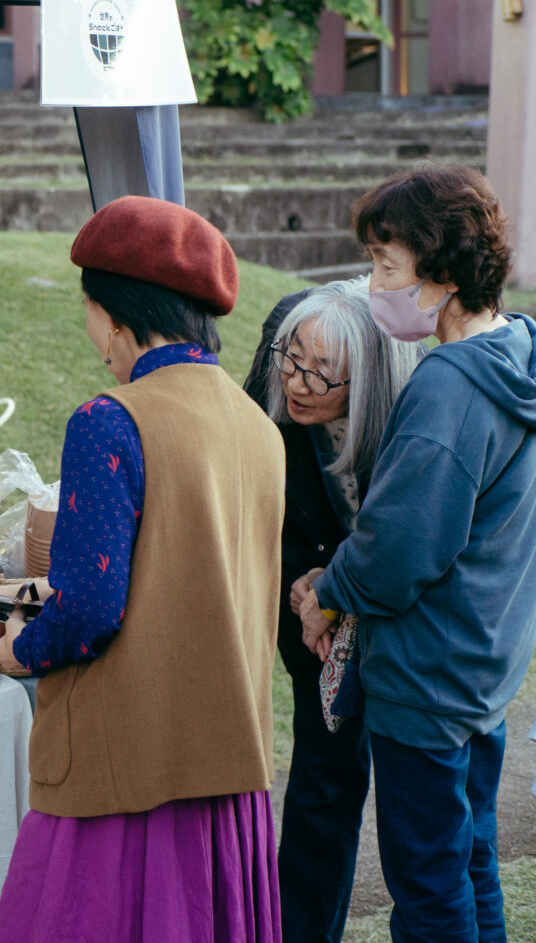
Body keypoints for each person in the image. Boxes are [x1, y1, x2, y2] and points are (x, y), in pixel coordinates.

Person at [0, 196, 286, 942]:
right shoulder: (257, 426)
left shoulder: (110, 418)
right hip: (225, 767)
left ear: (114, 314)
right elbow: (178, 566)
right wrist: (32, 589)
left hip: (127, 775)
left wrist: (17, 651)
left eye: (88, 309)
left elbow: (93, 610)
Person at [294, 165, 536, 943]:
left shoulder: (449, 387)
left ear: (444, 275)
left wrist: (327, 590)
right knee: (470, 862)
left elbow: (397, 551)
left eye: (386, 266)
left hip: (427, 682)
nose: (374, 287)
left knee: (429, 887)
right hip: (484, 667)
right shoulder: (519, 350)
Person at [241, 278, 421, 943]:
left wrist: (338, 588)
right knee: (326, 770)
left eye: (321, 374)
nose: (297, 382)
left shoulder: (411, 406)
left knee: (410, 791)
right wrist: (302, 586)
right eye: (291, 361)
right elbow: (254, 477)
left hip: (389, 606)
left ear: (369, 382)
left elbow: (404, 533)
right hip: (304, 600)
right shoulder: (291, 340)